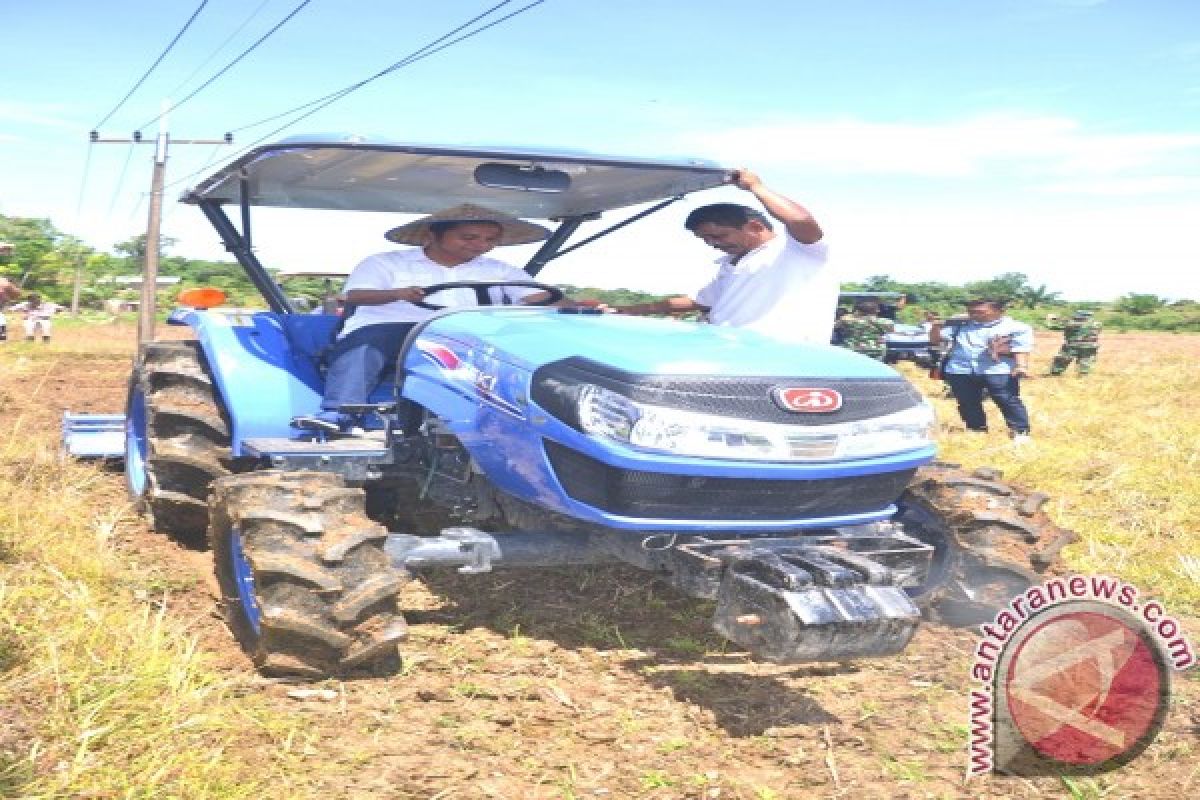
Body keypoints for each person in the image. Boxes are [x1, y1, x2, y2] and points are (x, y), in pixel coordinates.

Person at [294, 204, 558, 433]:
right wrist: (398, 294)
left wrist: (580, 307)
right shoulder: (385, 263)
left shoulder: (499, 270)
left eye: (490, 240)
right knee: (368, 342)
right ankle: (340, 413)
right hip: (396, 331)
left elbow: (537, 297)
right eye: (469, 237)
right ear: (433, 235)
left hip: (467, 335)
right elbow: (355, 295)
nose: (481, 246)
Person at [609, 169, 835, 345]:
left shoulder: (797, 250)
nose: (713, 244)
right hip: (729, 354)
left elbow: (801, 221)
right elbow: (695, 302)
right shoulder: (732, 264)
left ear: (755, 227)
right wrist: (621, 311)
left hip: (781, 358)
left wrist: (756, 187)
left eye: (718, 236)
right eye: (706, 240)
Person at [928, 299, 1034, 443]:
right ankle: (976, 430)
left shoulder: (1016, 327)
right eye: (971, 312)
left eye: (980, 312)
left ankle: (1020, 432)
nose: (974, 315)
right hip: (960, 369)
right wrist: (936, 327)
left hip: (997, 370)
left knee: (1007, 400)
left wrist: (1021, 366)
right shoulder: (959, 325)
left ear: (999, 311)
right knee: (967, 402)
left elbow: (1021, 348)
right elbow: (936, 340)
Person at [1046, 310, 1101, 376]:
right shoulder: (1097, 323)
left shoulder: (1072, 323)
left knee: (1062, 359)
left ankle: (1055, 372)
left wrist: (1049, 320)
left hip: (1073, 345)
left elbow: (1054, 327)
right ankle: (1084, 374)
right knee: (1086, 360)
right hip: (1091, 345)